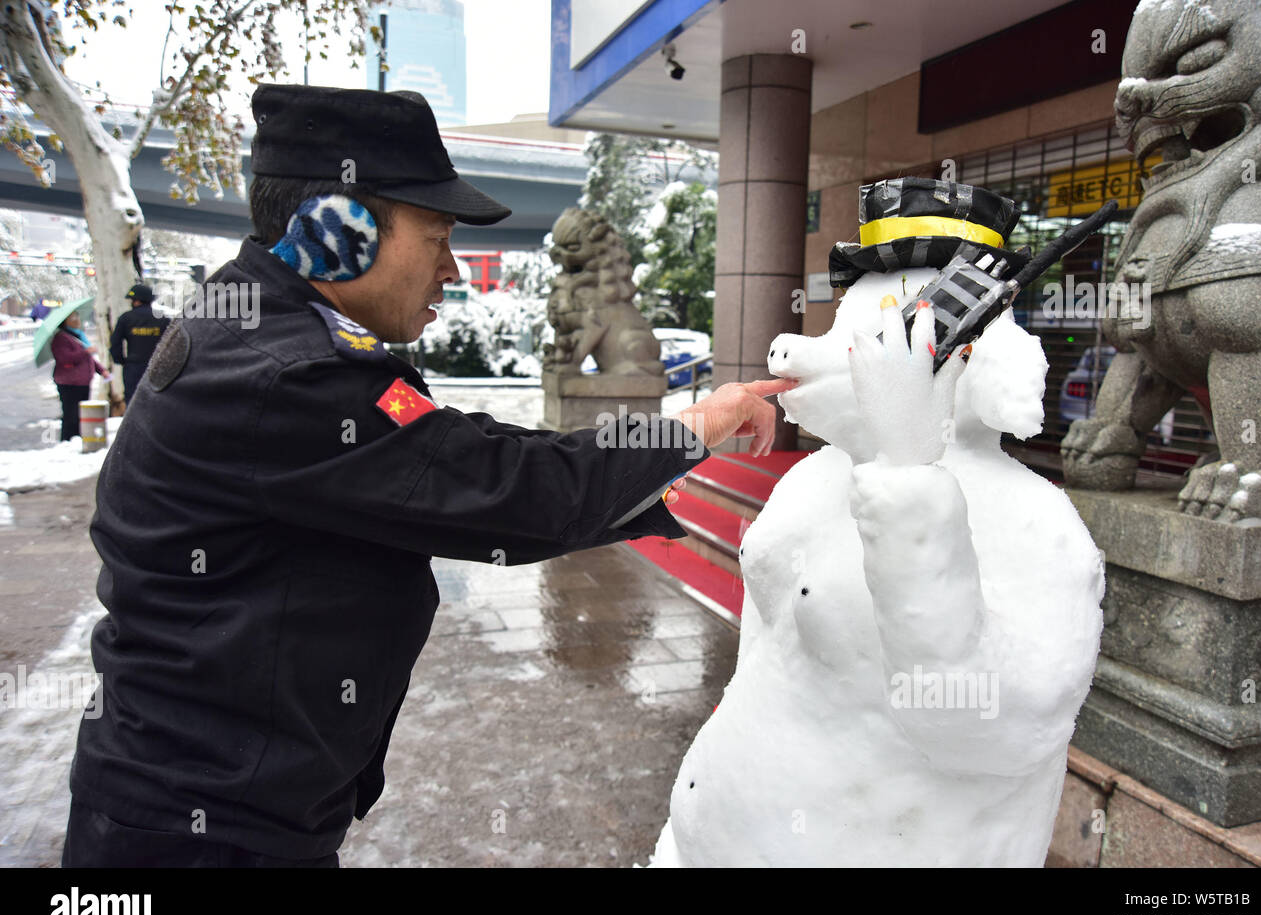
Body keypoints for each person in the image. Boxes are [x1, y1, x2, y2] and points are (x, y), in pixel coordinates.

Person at [61, 83, 795, 867]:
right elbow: (505, 488)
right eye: (437, 235)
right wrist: (694, 426)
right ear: (335, 232)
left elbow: (450, 448)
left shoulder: (269, 334)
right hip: (200, 833)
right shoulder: (285, 374)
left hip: (219, 805)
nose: (450, 267)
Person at [50, 309, 109, 441]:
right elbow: (65, 358)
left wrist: (101, 370)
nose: (77, 320)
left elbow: (88, 359)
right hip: (69, 382)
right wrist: (86, 351)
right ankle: (68, 439)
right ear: (65, 322)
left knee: (80, 413)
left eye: (77, 316)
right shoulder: (61, 338)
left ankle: (78, 437)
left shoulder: (78, 336)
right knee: (71, 414)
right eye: (73, 318)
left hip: (82, 382)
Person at [109, 283, 169, 404]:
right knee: (156, 400)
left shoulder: (126, 318)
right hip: (157, 367)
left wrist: (121, 360)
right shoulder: (163, 319)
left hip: (133, 367)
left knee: (133, 401)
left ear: (137, 301)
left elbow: (115, 343)